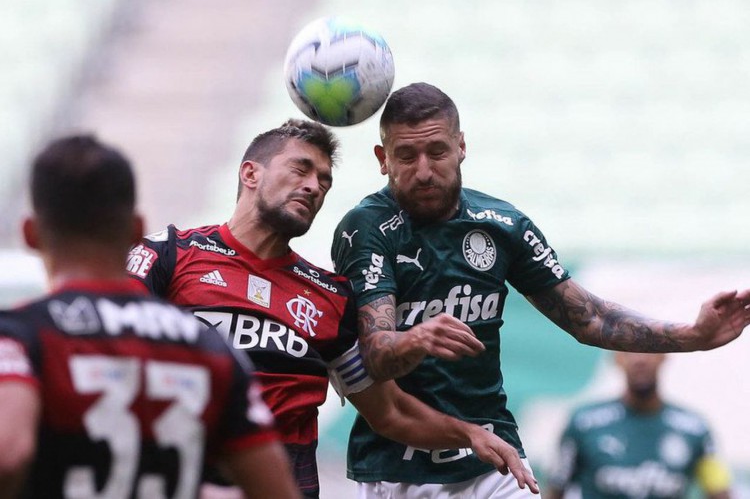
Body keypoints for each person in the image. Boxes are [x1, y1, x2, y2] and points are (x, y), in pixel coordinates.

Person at [330, 82, 750, 498]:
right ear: (383, 160)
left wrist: (693, 336)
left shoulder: (503, 223)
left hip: (494, 461)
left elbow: (590, 318)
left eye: (436, 151)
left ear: (461, 146)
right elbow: (376, 355)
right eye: (406, 156)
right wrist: (416, 338)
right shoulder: (365, 229)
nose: (423, 170)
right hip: (400, 470)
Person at [126, 118, 539, 498]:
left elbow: (390, 412)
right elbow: (106, 348)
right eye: (300, 169)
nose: (314, 186)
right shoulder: (171, 254)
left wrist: (469, 433)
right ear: (250, 173)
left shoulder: (329, 297)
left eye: (324, 180)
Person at [0, 135, 301, 499]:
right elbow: (275, 490)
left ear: (30, 234)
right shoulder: (210, 349)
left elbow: (8, 454)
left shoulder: (19, 338)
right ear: (137, 230)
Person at [545, 352, 732, 498]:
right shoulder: (583, 423)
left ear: (664, 357)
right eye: (629, 351)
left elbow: (720, 491)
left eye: (649, 350)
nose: (640, 360)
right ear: (617, 359)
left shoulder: (695, 429)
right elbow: (555, 490)